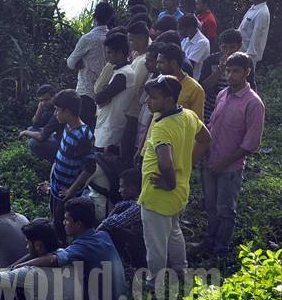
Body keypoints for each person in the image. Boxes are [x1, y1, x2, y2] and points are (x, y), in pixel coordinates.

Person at [11, 197, 126, 300]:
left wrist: (20, 267)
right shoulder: (102, 235)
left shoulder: (81, 247)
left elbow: (53, 259)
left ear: (78, 224)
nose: (64, 222)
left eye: (67, 220)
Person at [191, 52, 265, 258]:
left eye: (236, 71)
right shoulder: (223, 94)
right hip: (211, 160)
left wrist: (224, 162)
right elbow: (212, 126)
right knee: (210, 205)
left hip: (230, 167)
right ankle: (210, 239)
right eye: (228, 71)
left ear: (246, 73)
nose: (231, 75)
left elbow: (251, 143)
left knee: (226, 209)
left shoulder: (254, 103)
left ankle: (221, 249)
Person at [138, 76, 211, 283]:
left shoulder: (162, 127)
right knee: (174, 233)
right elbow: (206, 139)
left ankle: (155, 281)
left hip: (159, 194)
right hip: (179, 190)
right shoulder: (188, 115)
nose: (148, 101)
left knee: (156, 242)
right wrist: (188, 163)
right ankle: (180, 269)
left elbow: (166, 162)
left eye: (153, 98)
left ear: (169, 99)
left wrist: (168, 183)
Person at [44, 90, 95, 244]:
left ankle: (63, 249)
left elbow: (89, 168)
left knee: (62, 224)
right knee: (55, 218)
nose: (55, 114)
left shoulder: (84, 135)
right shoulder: (67, 127)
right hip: (56, 186)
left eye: (58, 110)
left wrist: (71, 191)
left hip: (66, 192)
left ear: (68, 111)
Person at [67, 1, 113, 127]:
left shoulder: (88, 38)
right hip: (106, 92)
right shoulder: (112, 37)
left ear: (94, 16)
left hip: (86, 91)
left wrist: (80, 63)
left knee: (82, 129)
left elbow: (70, 62)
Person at [198, 29, 255, 123]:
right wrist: (219, 71)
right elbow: (202, 88)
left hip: (236, 110)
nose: (228, 51)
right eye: (224, 47)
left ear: (239, 46)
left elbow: (251, 87)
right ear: (219, 46)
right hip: (211, 110)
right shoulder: (211, 60)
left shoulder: (246, 62)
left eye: (232, 47)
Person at [94, 32, 136, 154]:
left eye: (110, 53)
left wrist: (103, 94)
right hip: (107, 125)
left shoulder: (124, 74)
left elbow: (100, 98)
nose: (107, 57)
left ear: (120, 53)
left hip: (111, 128)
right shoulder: (119, 71)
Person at [98, 168, 145, 268]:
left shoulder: (138, 205)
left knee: (112, 230)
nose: (119, 190)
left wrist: (98, 230)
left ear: (131, 188)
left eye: (121, 187)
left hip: (142, 247)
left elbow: (116, 222)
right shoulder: (128, 202)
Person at [124, 21, 151, 158]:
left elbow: (132, 89)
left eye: (132, 40)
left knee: (126, 150)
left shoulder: (143, 62)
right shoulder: (138, 55)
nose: (130, 43)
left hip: (133, 113)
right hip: (133, 112)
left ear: (142, 39)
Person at [156, 43, 205, 120]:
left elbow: (196, 123)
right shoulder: (160, 80)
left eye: (161, 63)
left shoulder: (195, 89)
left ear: (173, 63)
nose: (157, 66)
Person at [20, 84, 62, 161]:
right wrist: (39, 109)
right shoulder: (47, 107)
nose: (43, 103)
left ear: (55, 97)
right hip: (53, 134)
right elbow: (35, 124)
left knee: (33, 143)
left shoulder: (58, 111)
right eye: (41, 100)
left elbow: (42, 137)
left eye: (46, 100)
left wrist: (25, 132)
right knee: (31, 129)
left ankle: (55, 160)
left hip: (62, 141)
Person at [238, 0, 272, 65]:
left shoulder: (262, 13)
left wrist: (248, 58)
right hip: (239, 53)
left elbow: (256, 38)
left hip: (246, 57)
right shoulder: (253, 8)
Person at [179, 14, 210, 80]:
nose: (180, 32)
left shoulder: (202, 42)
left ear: (191, 28)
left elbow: (188, 66)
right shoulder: (186, 39)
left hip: (195, 81)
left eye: (182, 29)